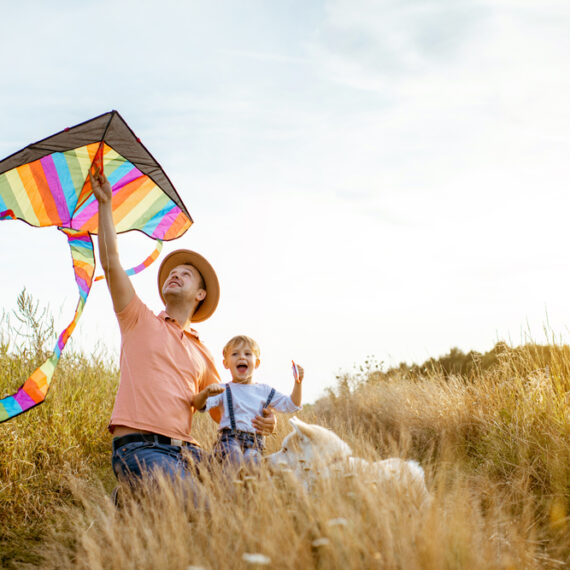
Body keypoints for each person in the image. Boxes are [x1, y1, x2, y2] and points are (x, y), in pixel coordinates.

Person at [90, 167, 277, 491]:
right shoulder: (137, 318)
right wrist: (105, 205)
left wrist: (264, 423)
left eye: (185, 274)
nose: (174, 275)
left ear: (199, 295)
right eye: (171, 273)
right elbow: (110, 262)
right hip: (139, 449)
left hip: (187, 452)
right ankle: (135, 496)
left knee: (244, 491)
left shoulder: (202, 354)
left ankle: (133, 506)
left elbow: (231, 410)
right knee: (200, 509)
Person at [192, 335, 304, 473]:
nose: (241, 357)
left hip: (255, 444)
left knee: (253, 463)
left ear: (256, 363)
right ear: (226, 363)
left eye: (247, 354)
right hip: (229, 440)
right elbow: (198, 405)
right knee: (233, 457)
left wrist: (298, 383)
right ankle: (229, 491)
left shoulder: (264, 391)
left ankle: (248, 493)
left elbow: (292, 404)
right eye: (235, 354)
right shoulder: (222, 389)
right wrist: (205, 393)